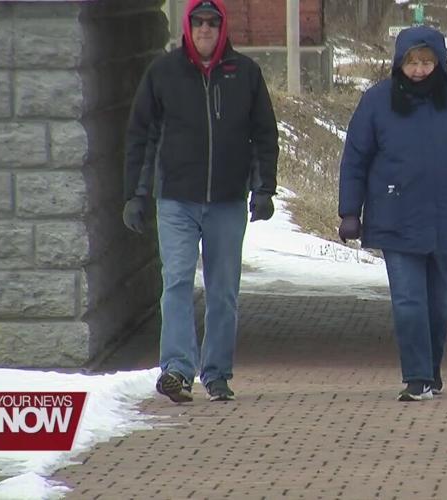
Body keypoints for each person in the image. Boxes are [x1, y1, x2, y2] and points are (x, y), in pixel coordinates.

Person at [122, 0, 279, 403]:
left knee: (223, 290)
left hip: (227, 200)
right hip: (176, 198)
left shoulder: (245, 74)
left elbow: (263, 136)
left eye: (212, 22)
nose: (205, 28)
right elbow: (142, 138)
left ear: (223, 27)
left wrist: (263, 190)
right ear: (187, 26)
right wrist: (136, 195)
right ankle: (177, 369)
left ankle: (217, 373)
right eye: (198, 21)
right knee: (175, 281)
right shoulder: (163, 72)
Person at [337, 26, 447, 402]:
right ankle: (416, 376)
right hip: (395, 216)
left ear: (440, 63)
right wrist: (350, 211)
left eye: (427, 62)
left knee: (439, 302)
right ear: (400, 63)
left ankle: (431, 370)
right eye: (413, 62)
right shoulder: (377, 102)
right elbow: (355, 160)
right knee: (409, 300)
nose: (420, 69)